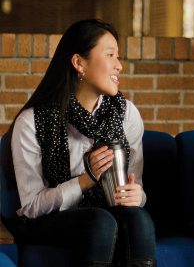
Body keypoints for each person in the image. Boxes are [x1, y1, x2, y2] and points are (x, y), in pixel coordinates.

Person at [2, 19, 156, 266]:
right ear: (78, 63)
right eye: (110, 55)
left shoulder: (127, 114)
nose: (119, 66)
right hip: (50, 220)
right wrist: (85, 180)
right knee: (100, 222)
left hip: (108, 212)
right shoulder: (32, 121)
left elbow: (135, 185)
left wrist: (137, 196)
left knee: (139, 219)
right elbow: (31, 206)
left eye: (118, 56)